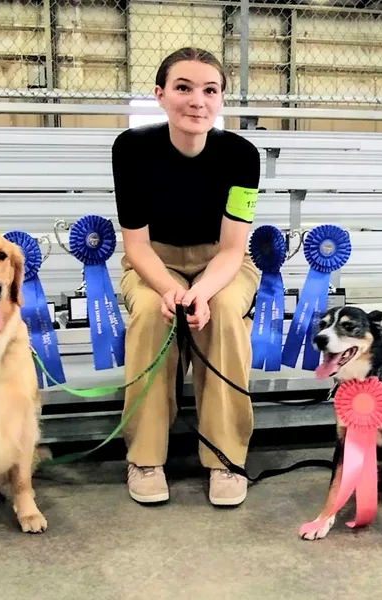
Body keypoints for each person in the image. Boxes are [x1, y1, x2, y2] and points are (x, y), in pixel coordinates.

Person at [111, 47, 261, 507]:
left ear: (221, 101)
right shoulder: (131, 149)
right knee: (153, 320)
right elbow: (135, 246)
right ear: (160, 95)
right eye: (183, 88)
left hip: (222, 263)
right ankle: (145, 456)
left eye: (210, 90)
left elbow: (234, 248)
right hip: (155, 261)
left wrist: (200, 293)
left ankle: (225, 457)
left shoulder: (242, 156)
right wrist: (171, 290)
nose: (197, 100)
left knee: (223, 314)